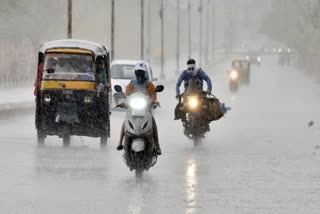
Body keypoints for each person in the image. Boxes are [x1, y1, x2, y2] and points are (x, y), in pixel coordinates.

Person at [116, 62, 162, 155]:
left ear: (145, 73)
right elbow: (126, 97)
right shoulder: (131, 85)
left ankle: (157, 145)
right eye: (138, 73)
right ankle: (120, 142)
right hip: (132, 110)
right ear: (135, 73)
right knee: (125, 122)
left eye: (142, 73)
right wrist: (122, 103)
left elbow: (154, 96)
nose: (140, 75)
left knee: (153, 123)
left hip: (146, 110)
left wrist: (155, 102)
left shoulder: (150, 85)